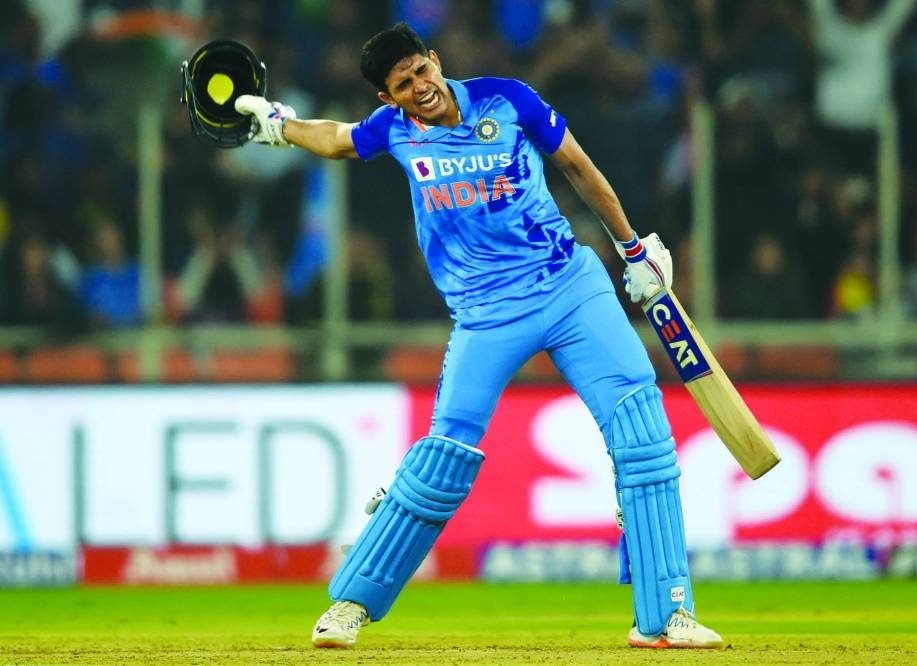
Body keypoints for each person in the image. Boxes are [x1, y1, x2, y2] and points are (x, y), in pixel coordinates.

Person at [233, 22, 722, 651]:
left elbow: (576, 164)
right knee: (443, 462)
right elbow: (336, 140)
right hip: (486, 313)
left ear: (436, 61)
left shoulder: (506, 98)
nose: (419, 87)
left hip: (571, 285)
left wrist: (633, 247)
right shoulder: (395, 131)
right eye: (402, 84)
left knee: (643, 435)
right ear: (390, 98)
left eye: (420, 70)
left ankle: (666, 616)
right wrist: (277, 125)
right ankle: (351, 605)